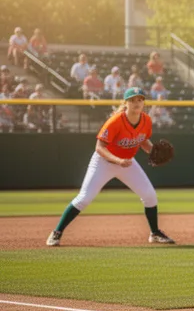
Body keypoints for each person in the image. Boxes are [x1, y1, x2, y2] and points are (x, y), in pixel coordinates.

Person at [46, 87, 175, 246]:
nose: (136, 103)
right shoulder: (115, 121)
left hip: (127, 162)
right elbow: (99, 147)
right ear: (126, 103)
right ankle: (56, 232)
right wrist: (118, 161)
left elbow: (142, 140)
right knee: (84, 199)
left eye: (140, 99)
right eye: (133, 100)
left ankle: (154, 233)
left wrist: (152, 151)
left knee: (150, 196)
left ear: (144, 103)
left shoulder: (146, 120)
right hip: (103, 162)